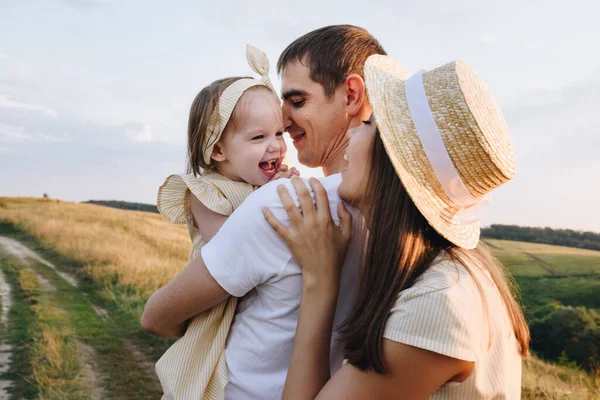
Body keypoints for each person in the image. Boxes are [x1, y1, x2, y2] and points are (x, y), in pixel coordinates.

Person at [141, 25, 390, 399]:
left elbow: (155, 318)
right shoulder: (392, 212)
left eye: (298, 101)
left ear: (351, 95)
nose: (284, 124)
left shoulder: (284, 204)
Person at [264, 57, 531, 399]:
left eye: (370, 125)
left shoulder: (437, 304)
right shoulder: (451, 273)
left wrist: (320, 278)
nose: (352, 130)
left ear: (392, 161)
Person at [148, 44, 297, 400]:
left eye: (279, 133)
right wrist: (270, 197)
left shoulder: (261, 185)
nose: (275, 146)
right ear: (218, 150)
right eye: (259, 137)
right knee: (205, 368)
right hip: (213, 301)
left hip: (248, 301)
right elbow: (231, 248)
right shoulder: (206, 191)